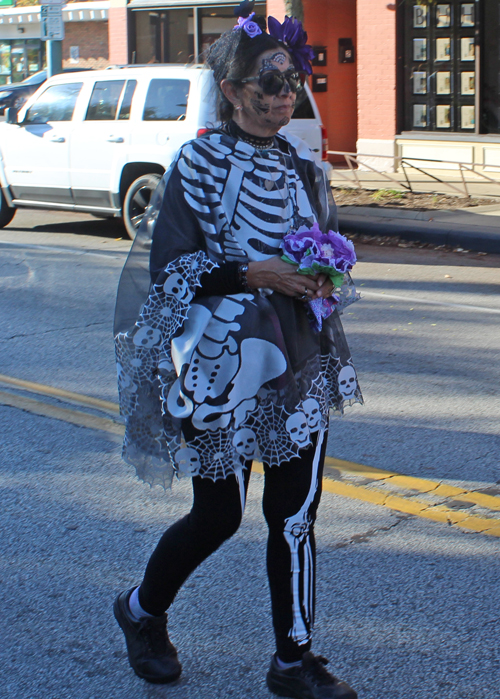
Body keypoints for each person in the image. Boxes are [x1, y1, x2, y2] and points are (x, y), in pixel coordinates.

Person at [112, 5, 362, 698]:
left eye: (292, 80)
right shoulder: (195, 164)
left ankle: (294, 658)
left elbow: (327, 269)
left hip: (297, 360)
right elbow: (170, 271)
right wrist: (257, 272)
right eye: (268, 81)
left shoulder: (306, 172)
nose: (284, 93)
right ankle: (140, 610)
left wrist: (321, 277)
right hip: (221, 365)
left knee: (295, 513)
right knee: (218, 513)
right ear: (230, 88)